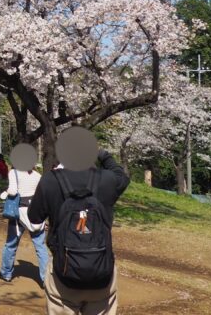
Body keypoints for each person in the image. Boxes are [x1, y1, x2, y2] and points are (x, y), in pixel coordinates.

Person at [28, 127, 130, 315]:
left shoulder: (50, 181)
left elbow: (34, 218)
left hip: (63, 271)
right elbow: (122, 175)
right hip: (102, 274)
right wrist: (104, 155)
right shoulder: (107, 180)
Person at [0, 143, 50, 287]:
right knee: (40, 246)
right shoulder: (37, 175)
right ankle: (46, 279)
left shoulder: (14, 172)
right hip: (35, 213)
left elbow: (13, 191)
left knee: (11, 244)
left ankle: (6, 273)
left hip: (18, 213)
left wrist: (5, 192)